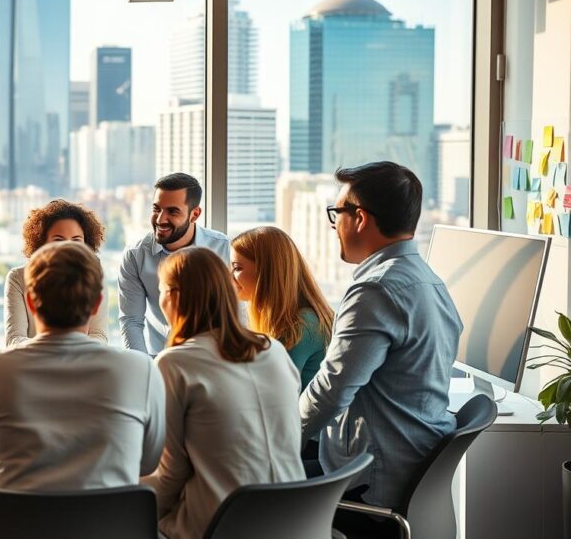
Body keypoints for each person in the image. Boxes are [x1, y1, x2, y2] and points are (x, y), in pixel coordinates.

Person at [299, 162, 462, 529]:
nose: (333, 225)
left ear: (359, 218)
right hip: (410, 470)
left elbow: (332, 389)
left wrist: (279, 437)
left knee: (251, 492)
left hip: (370, 488)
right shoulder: (429, 281)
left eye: (336, 213)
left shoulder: (376, 289)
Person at [0, 241, 164, 490]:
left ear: (30, 303)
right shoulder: (141, 370)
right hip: (104, 526)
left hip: (10, 525)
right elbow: (148, 463)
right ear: (97, 304)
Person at [143, 246, 305, 539]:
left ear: (176, 297)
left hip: (223, 526)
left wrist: (128, 508)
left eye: (162, 290)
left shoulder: (175, 363)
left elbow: (170, 474)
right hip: (295, 521)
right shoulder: (273, 349)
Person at [119, 173, 230, 356]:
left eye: (172, 211)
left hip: (214, 357)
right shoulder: (135, 255)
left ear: (195, 214)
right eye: (156, 209)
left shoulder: (222, 248)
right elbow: (131, 321)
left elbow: (236, 312)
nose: (161, 219)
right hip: (160, 358)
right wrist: (145, 367)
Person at [230, 226, 334, 390]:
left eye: (237, 268)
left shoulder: (299, 327)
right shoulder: (294, 318)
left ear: (266, 271)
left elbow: (268, 394)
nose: (230, 276)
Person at [5, 199, 108, 347]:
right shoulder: (18, 278)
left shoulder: (95, 274)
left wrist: (61, 352)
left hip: (82, 366)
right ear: (42, 243)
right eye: (58, 240)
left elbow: (99, 336)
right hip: (34, 366)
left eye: (76, 240)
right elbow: (14, 339)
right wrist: (56, 351)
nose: (67, 248)